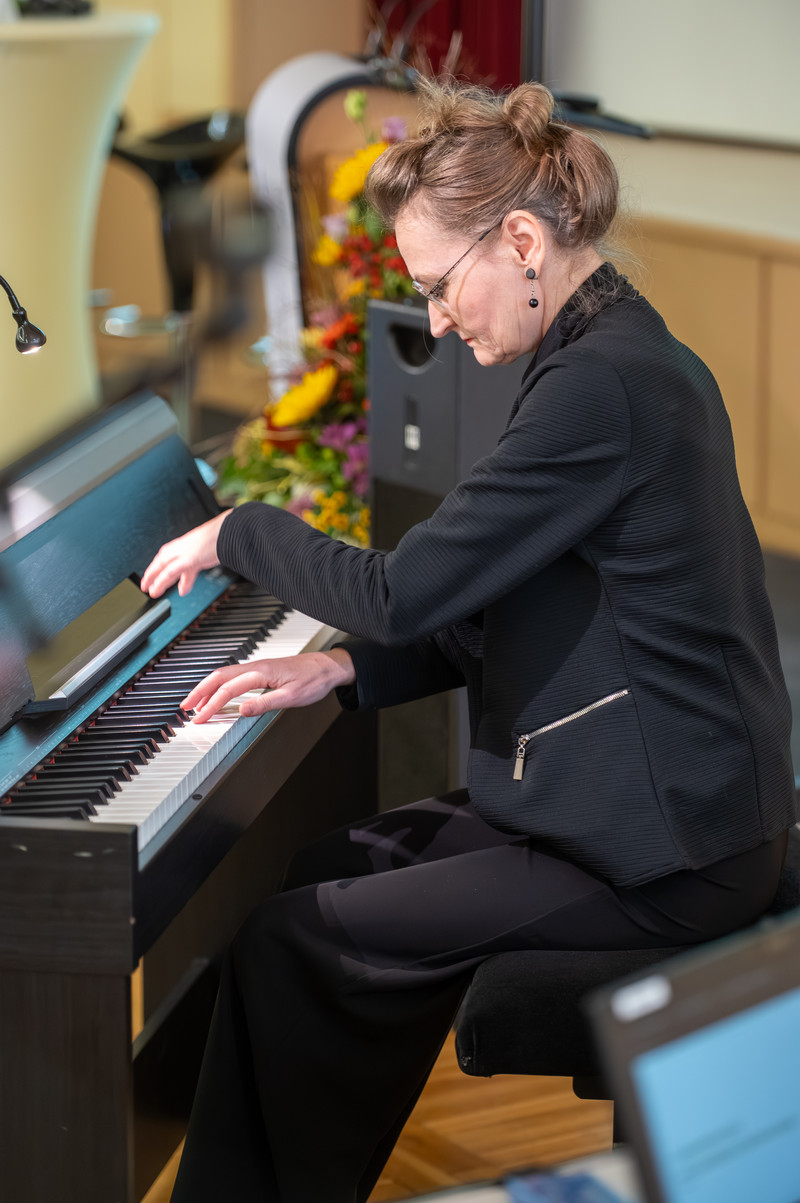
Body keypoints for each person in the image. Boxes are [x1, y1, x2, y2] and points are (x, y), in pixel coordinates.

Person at [140, 79, 797, 1203]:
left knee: (295, 940)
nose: (437, 322)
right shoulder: (605, 351)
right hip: (632, 798)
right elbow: (499, 605)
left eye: (441, 289)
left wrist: (240, 530)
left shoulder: (603, 389)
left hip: (666, 852)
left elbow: (404, 590)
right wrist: (342, 667)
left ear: (524, 240)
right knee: (324, 873)